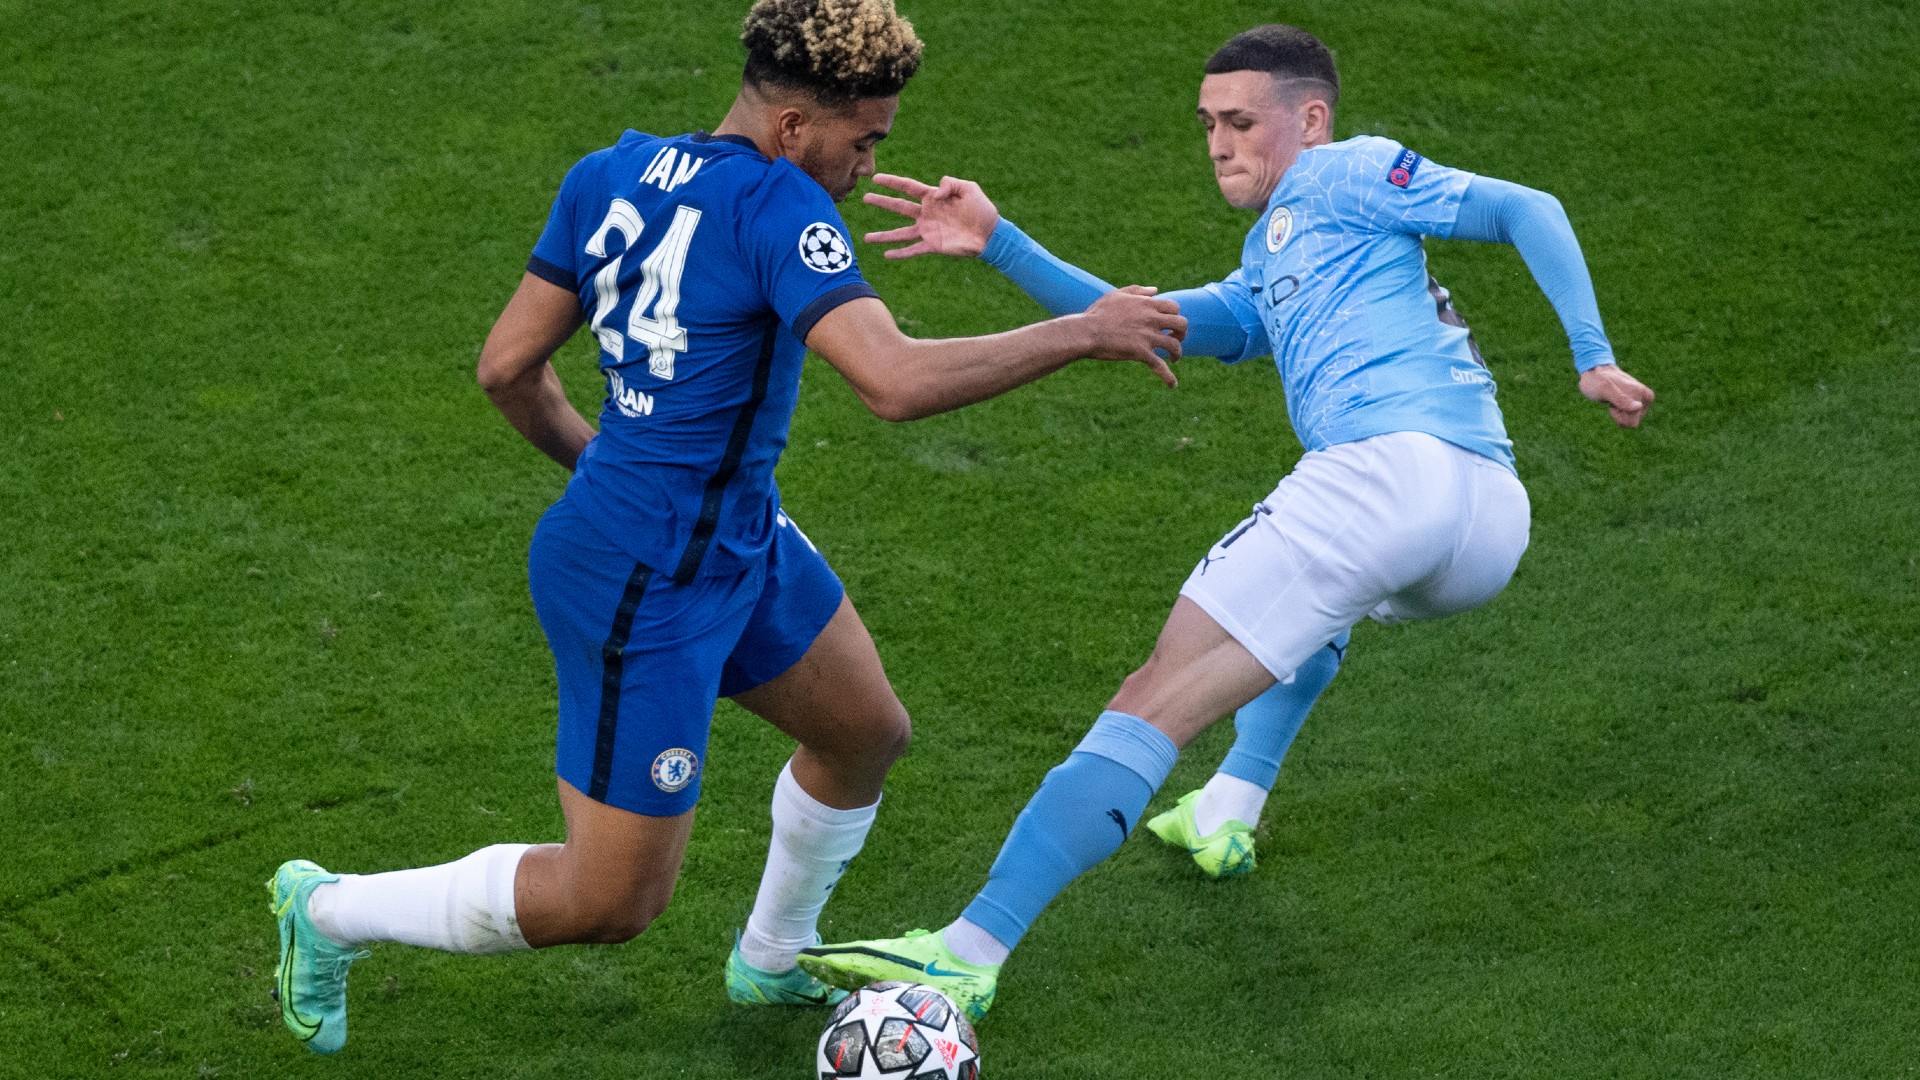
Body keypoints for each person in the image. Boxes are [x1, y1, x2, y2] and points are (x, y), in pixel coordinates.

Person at [264, 0, 1187, 1055]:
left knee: (865, 734)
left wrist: (612, 467)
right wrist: (1081, 330)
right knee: (610, 902)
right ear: (797, 128)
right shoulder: (779, 209)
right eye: (864, 137)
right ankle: (329, 909)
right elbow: (891, 381)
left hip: (734, 538)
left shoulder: (604, 175)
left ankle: (773, 956)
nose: (865, 160)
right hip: (641, 580)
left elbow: (505, 369)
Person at [797, 23, 1655, 1021]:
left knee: (1154, 695)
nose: (1219, 143)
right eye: (1208, 123)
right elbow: (1159, 324)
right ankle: (1229, 806)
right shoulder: (1281, 252)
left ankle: (966, 948)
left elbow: (1525, 206)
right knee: (1317, 607)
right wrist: (1000, 242)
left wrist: (1591, 355)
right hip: (1482, 523)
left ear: (1312, 118)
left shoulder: (1344, 172)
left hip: (1386, 478)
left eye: (1242, 122)